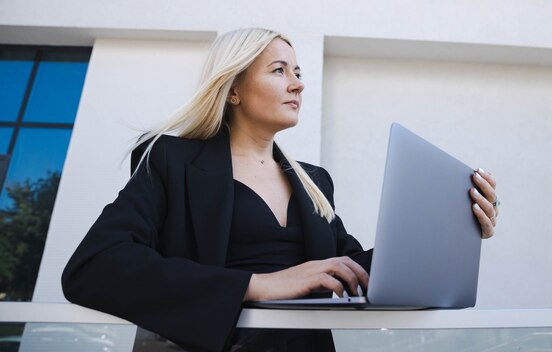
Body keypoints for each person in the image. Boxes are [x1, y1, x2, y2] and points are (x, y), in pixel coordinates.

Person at [62, 28, 499, 352]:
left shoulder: (315, 182)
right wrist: (254, 285)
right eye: (278, 70)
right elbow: (96, 266)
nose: (298, 83)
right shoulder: (170, 160)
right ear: (233, 89)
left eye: (298, 72)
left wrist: (455, 226)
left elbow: (357, 270)